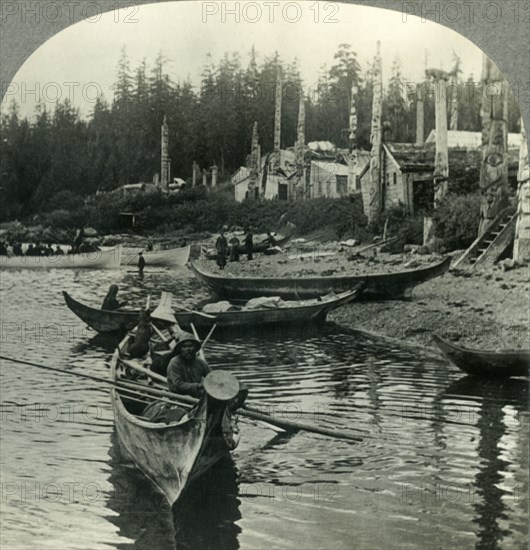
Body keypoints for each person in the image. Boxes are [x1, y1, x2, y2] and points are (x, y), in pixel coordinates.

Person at [167, 333, 210, 398]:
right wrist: (198, 386)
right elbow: (178, 384)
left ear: (195, 348)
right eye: (184, 346)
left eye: (191, 346)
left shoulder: (201, 363)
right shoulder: (174, 363)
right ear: (180, 349)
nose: (188, 349)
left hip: (195, 394)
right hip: (178, 396)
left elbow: (211, 376)